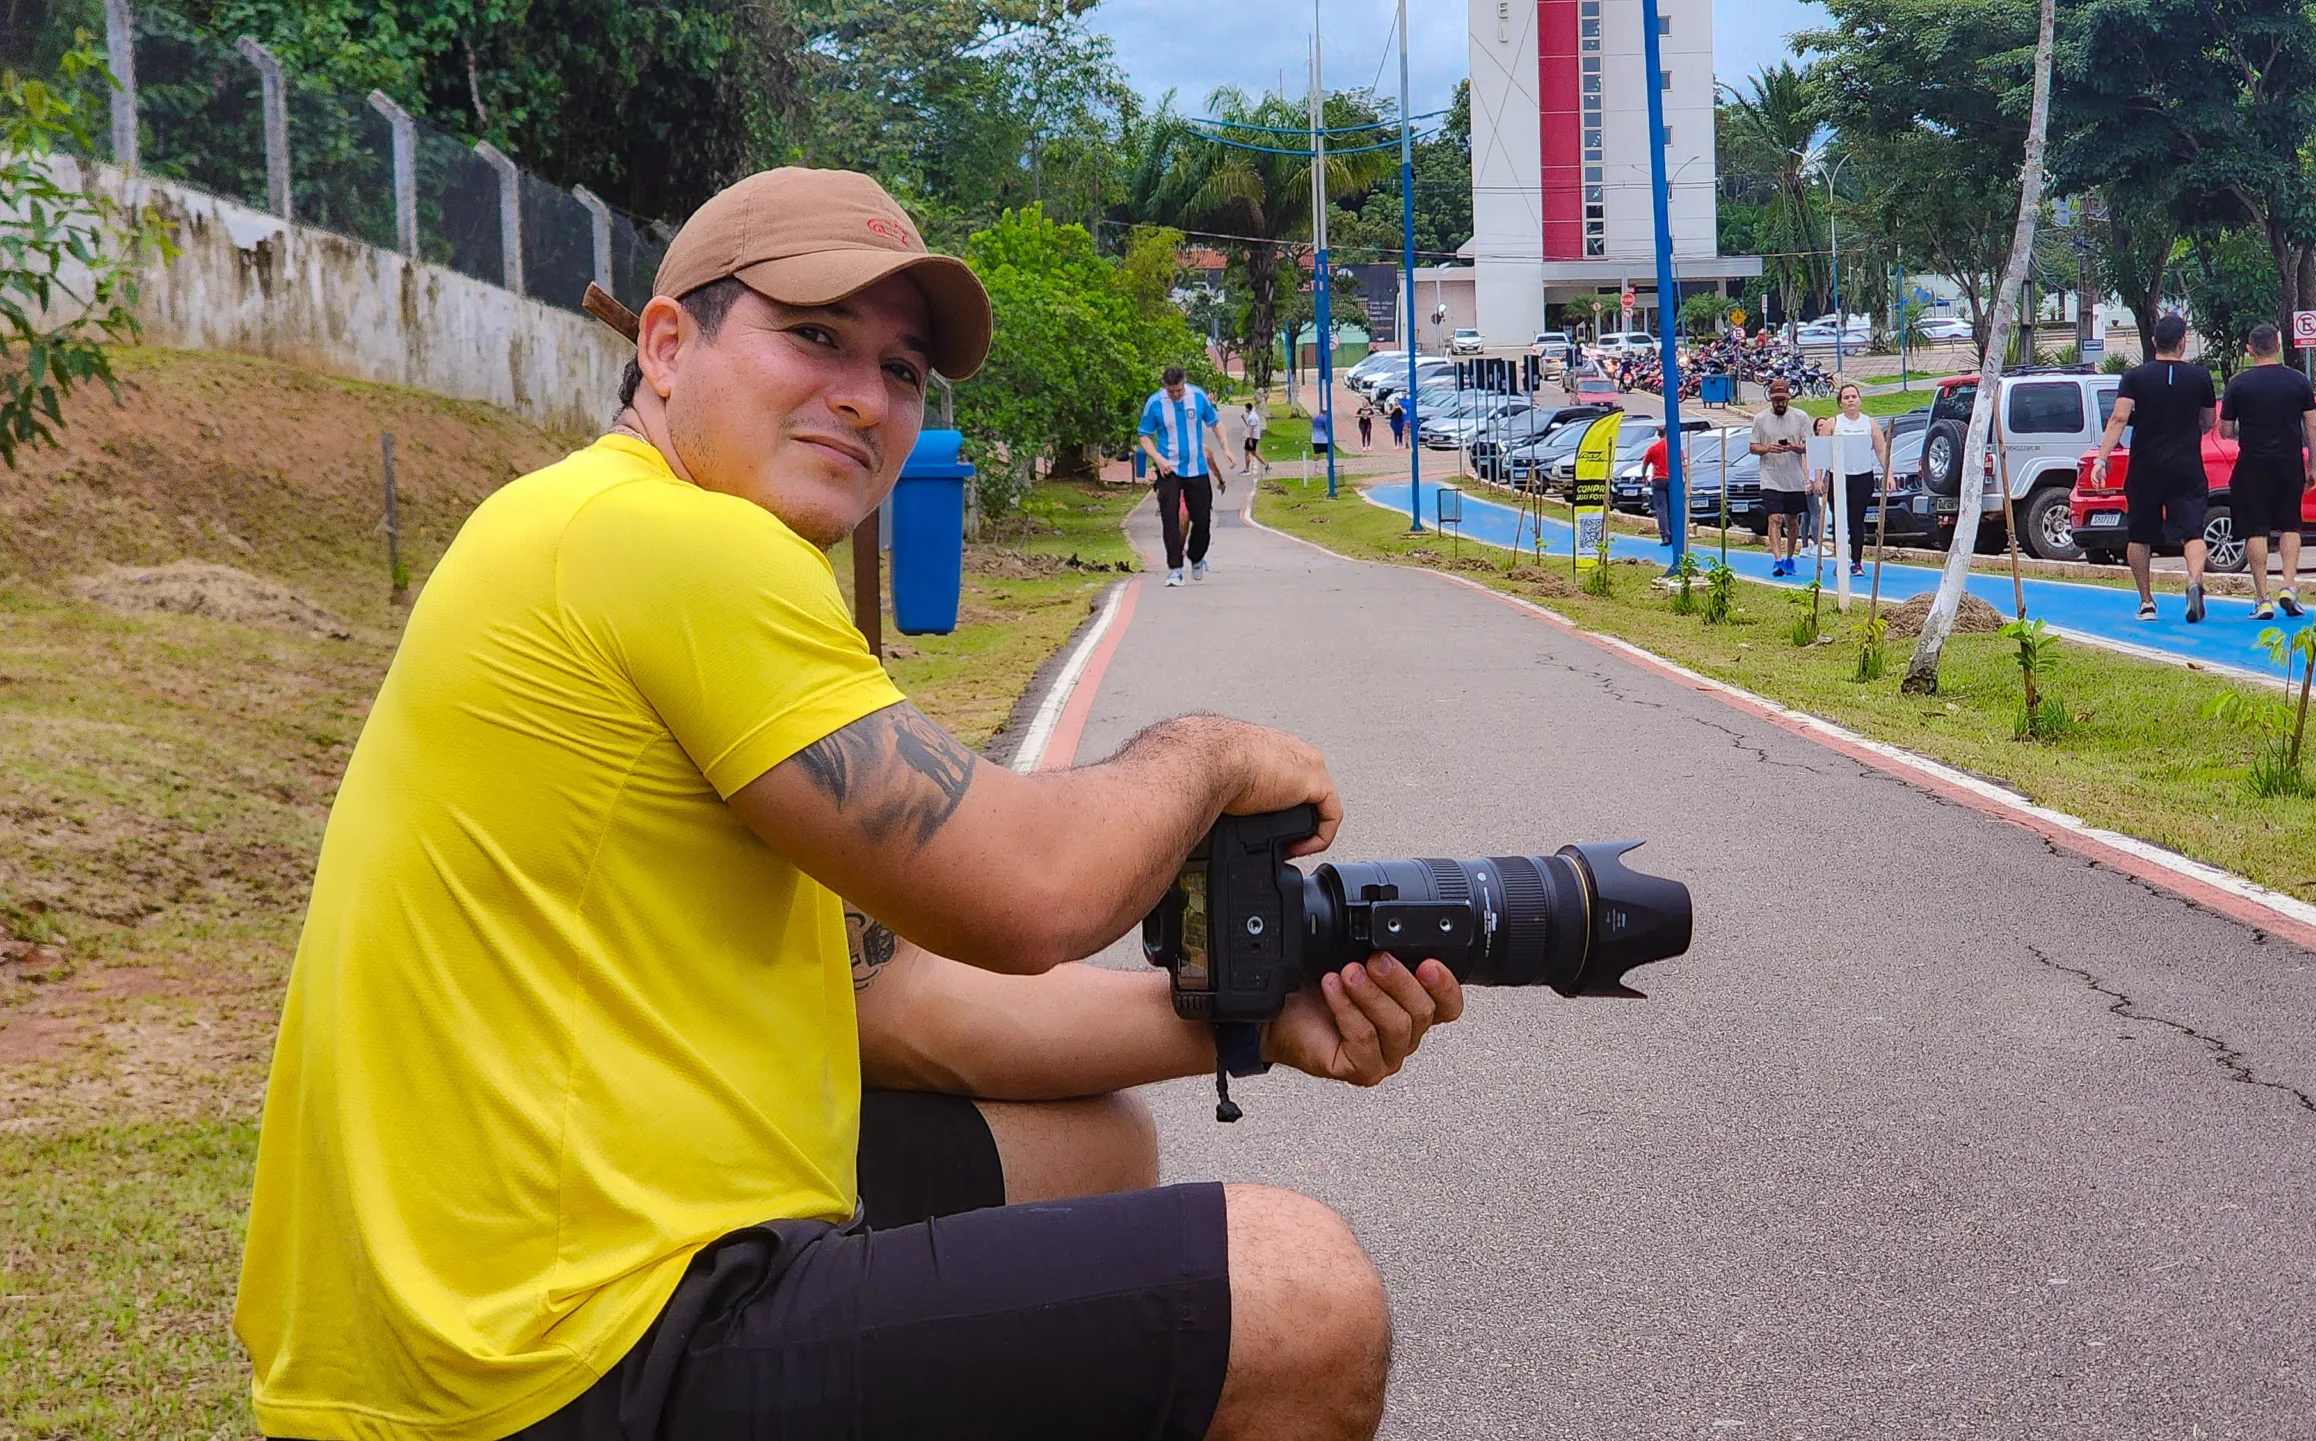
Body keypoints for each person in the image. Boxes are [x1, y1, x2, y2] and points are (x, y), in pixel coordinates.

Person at [234, 166, 1460, 1441]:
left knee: (1088, 1154)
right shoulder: (678, 545)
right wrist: (1205, 753)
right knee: (1300, 1292)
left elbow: (894, 1002)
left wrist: (1250, 1017)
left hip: (437, 1322)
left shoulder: (580, 524)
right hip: (547, 1361)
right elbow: (1030, 892)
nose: (864, 397)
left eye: (902, 368)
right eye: (813, 336)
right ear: (665, 344)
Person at [2095, 313, 2218, 622]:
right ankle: (2194, 581)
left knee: (2139, 534)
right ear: (2182, 342)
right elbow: (2209, 422)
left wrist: (2102, 457)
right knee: (2193, 532)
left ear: (2153, 343)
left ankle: (2147, 602)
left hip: (2146, 467)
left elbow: (2119, 418)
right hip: (2186, 465)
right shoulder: (2200, 377)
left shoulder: (2135, 377)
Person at [2217, 323, 2316, 619]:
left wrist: (2244, 428)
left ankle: (2262, 597)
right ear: (2277, 346)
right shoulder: (2298, 381)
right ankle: (2288, 585)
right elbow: (2312, 426)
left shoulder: (2239, 384)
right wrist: (2312, 465)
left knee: (2256, 529)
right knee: (2291, 525)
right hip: (2289, 463)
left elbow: (2225, 430)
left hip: (2252, 464)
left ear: (2250, 350)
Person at [1139, 364, 1231, 586]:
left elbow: (1215, 423)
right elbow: (1144, 435)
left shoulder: (1198, 396)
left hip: (1196, 469)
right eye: (1171, 391)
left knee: (1203, 520)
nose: (1176, 395)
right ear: (1165, 387)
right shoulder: (1155, 403)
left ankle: (1196, 557)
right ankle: (1175, 569)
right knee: (1170, 520)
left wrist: (1225, 448)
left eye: (1179, 390)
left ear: (1184, 383)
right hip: (1168, 470)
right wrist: (1158, 460)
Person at [1750, 377, 1814, 577]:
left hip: (1794, 478)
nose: (1780, 404)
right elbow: (1753, 447)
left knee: (1792, 520)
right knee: (1774, 518)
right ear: (1770, 399)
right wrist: (1768, 448)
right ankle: (1777, 560)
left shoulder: (1801, 417)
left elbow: (1810, 446)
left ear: (1788, 398)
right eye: (1776, 400)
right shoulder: (1760, 419)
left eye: (1783, 400)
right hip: (1771, 477)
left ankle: (1789, 557)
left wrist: (1795, 447)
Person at [1829, 382, 1890, 578]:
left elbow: (1882, 451)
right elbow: (1820, 452)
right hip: (1837, 476)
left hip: (1862, 477)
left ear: (1859, 400)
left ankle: (1857, 561)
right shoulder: (1833, 423)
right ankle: (1840, 560)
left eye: (1853, 396)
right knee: (1840, 520)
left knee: (1857, 521)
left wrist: (1888, 473)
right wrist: (1817, 479)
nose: (1850, 400)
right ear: (1840, 403)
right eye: (1846, 397)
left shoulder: (1870, 424)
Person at [1643, 425, 1676, 546]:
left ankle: (1665, 536)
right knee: (1674, 508)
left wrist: (1643, 476)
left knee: (1661, 509)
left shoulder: (1653, 448)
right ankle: (1677, 534)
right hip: (1673, 480)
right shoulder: (1674, 447)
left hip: (1658, 480)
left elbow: (1645, 464)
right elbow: (1683, 464)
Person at [1241, 398, 1266, 476]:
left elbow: (1251, 429)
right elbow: (1249, 426)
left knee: (1247, 452)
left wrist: (1250, 441)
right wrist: (1243, 419)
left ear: (1248, 409)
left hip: (1252, 437)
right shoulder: (1252, 415)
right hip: (1252, 437)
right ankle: (1266, 464)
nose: (1245, 410)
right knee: (1254, 453)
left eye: (1246, 408)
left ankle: (1247, 469)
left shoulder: (1252, 417)